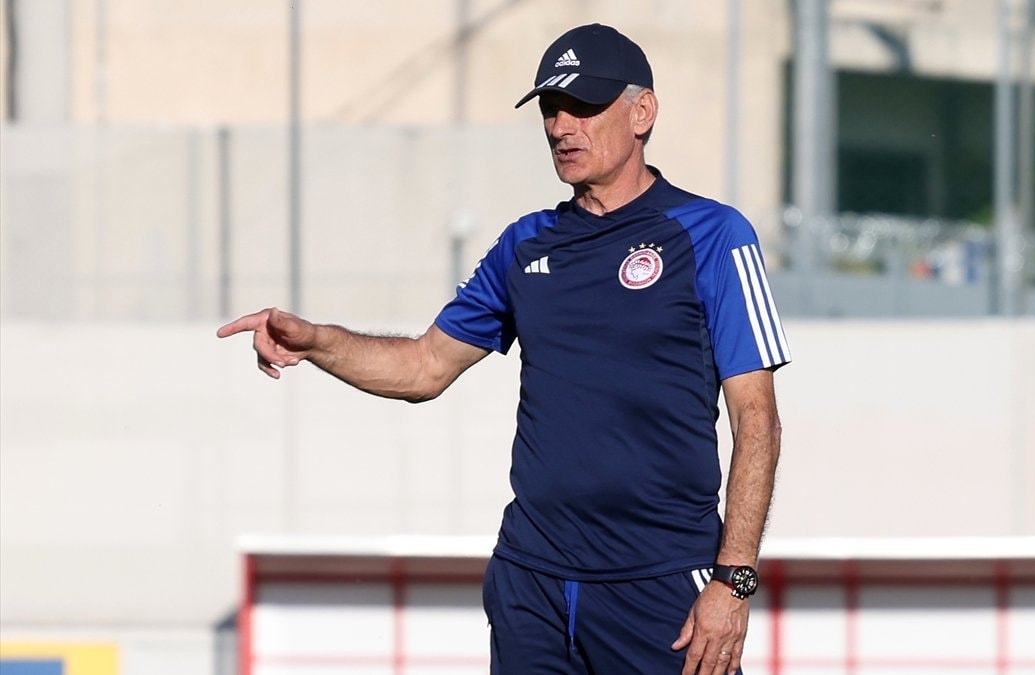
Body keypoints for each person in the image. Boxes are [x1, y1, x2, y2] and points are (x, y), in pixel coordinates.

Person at [218, 23, 789, 675]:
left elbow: (758, 420)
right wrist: (318, 341)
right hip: (531, 581)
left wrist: (733, 581)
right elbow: (423, 366)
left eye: (582, 106)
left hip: (659, 584)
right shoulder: (526, 244)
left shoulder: (713, 235)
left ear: (642, 112)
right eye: (550, 109)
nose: (561, 127)